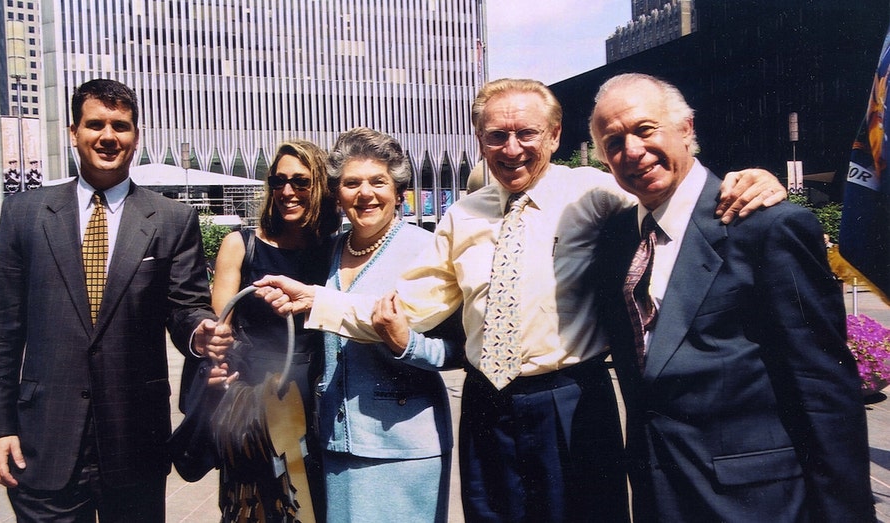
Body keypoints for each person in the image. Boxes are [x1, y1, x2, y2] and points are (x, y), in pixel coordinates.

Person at [257, 78, 785, 522]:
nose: (511, 148)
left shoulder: (595, 192)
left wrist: (751, 180)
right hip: (487, 404)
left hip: (571, 401)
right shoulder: (463, 215)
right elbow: (411, 304)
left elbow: (674, 194)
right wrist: (315, 301)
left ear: (554, 135)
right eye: (496, 135)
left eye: (526, 133)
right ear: (479, 141)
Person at [589, 73, 875, 522]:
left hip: (760, 502)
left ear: (686, 129)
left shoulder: (765, 226)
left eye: (645, 130)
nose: (632, 151)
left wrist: (847, 512)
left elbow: (823, 386)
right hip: (658, 495)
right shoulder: (615, 241)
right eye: (613, 142)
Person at [0, 78, 233, 522]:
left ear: (137, 136)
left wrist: (199, 331)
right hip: (43, 440)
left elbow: (184, 306)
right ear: (73, 132)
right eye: (95, 124)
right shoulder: (24, 213)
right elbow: (3, 331)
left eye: (121, 126)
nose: (108, 136)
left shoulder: (171, 218)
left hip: (135, 438)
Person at [315, 127, 463, 522]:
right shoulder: (331, 249)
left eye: (378, 181)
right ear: (337, 193)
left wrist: (407, 344)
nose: (365, 193)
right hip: (337, 442)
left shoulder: (425, 251)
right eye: (351, 183)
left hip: (404, 445)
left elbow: (459, 347)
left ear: (398, 192)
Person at [208, 140, 339, 521]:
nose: (287, 192)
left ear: (320, 188)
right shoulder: (240, 245)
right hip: (254, 400)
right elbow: (221, 331)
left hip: (317, 397)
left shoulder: (333, 249)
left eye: (301, 182)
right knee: (256, 507)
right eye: (279, 181)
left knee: (313, 504)